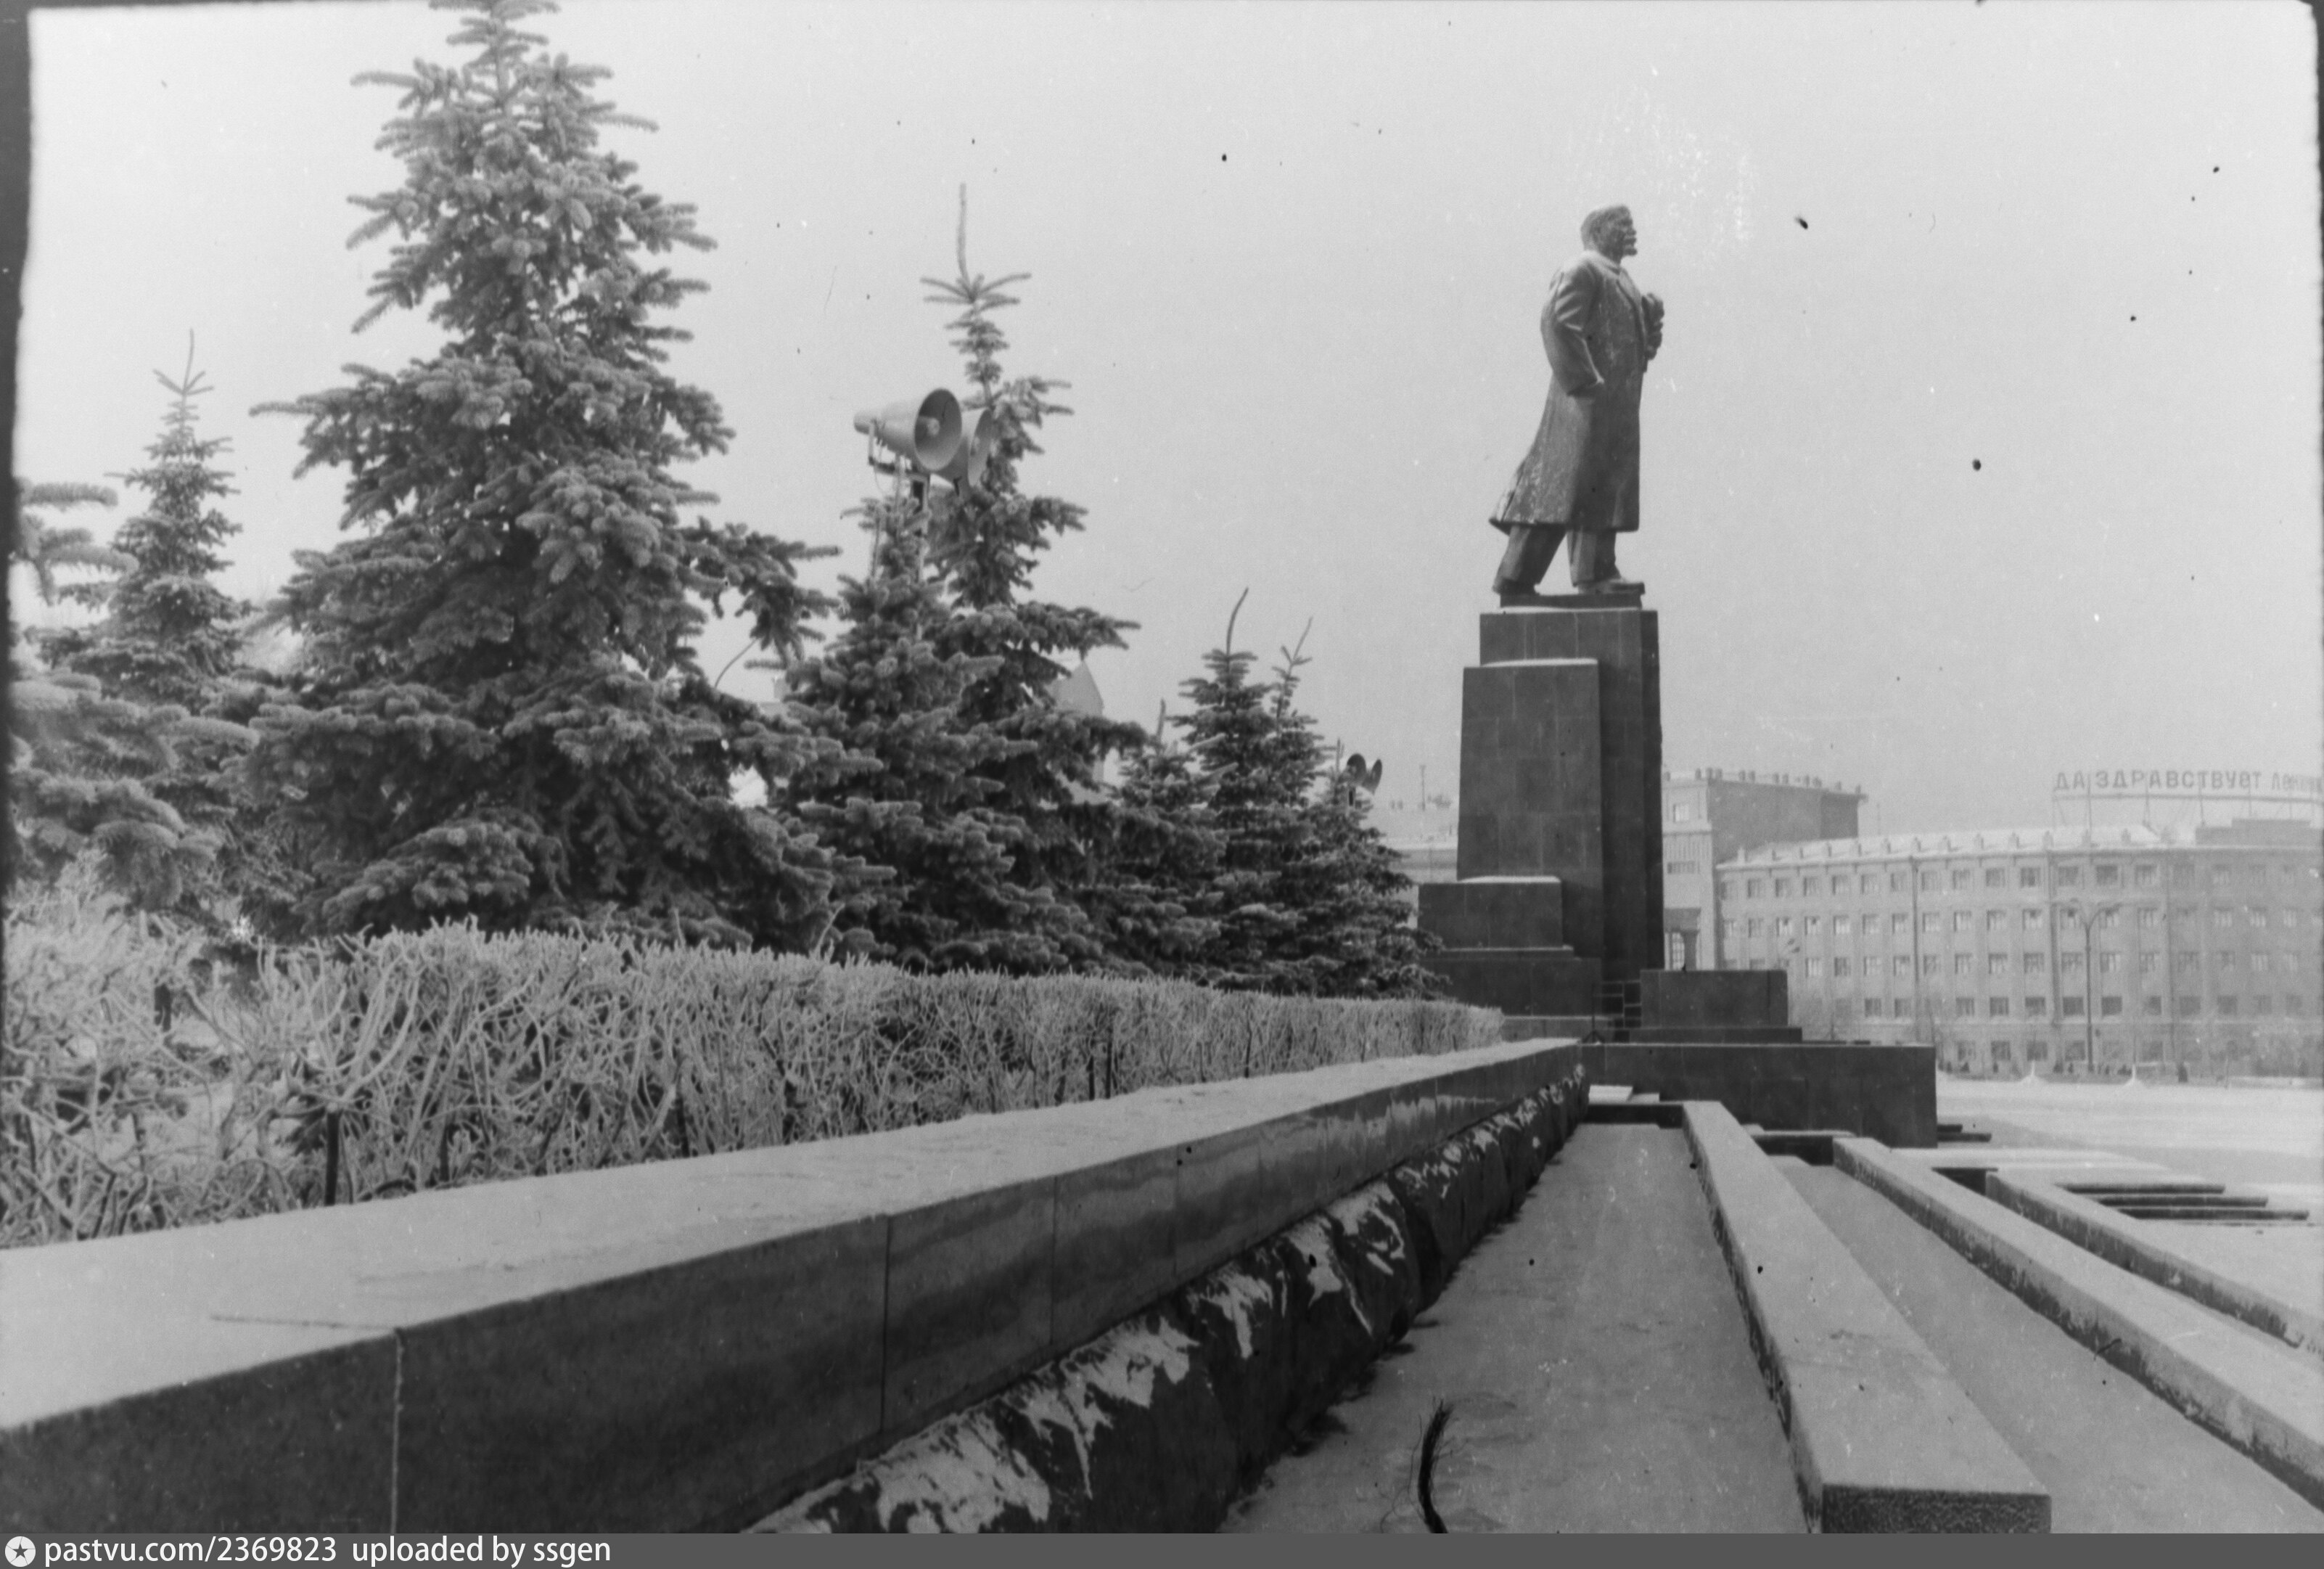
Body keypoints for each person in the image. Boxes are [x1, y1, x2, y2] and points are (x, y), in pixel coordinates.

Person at [1489, 205, 1665, 602]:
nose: (1632, 231)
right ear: (1600, 230)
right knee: (1557, 489)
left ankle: (1595, 571)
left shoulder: (1619, 277)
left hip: (1613, 404)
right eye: (1623, 225)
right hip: (1584, 402)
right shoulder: (1582, 269)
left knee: (1600, 487)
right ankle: (1516, 576)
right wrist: (1585, 381)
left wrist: (1648, 325)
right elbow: (1556, 322)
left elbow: (1625, 341)